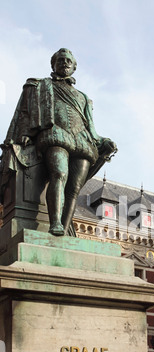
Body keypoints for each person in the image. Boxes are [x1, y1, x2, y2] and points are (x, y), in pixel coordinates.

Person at [1, 48, 117, 235]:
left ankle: (64, 226)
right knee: (59, 174)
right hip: (56, 135)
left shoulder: (84, 98)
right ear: (53, 64)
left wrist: (105, 142)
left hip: (83, 142)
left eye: (68, 61)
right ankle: (54, 222)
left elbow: (92, 130)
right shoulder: (41, 86)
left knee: (74, 188)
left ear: (74, 68)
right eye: (61, 60)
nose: (65, 63)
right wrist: (25, 134)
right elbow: (24, 113)